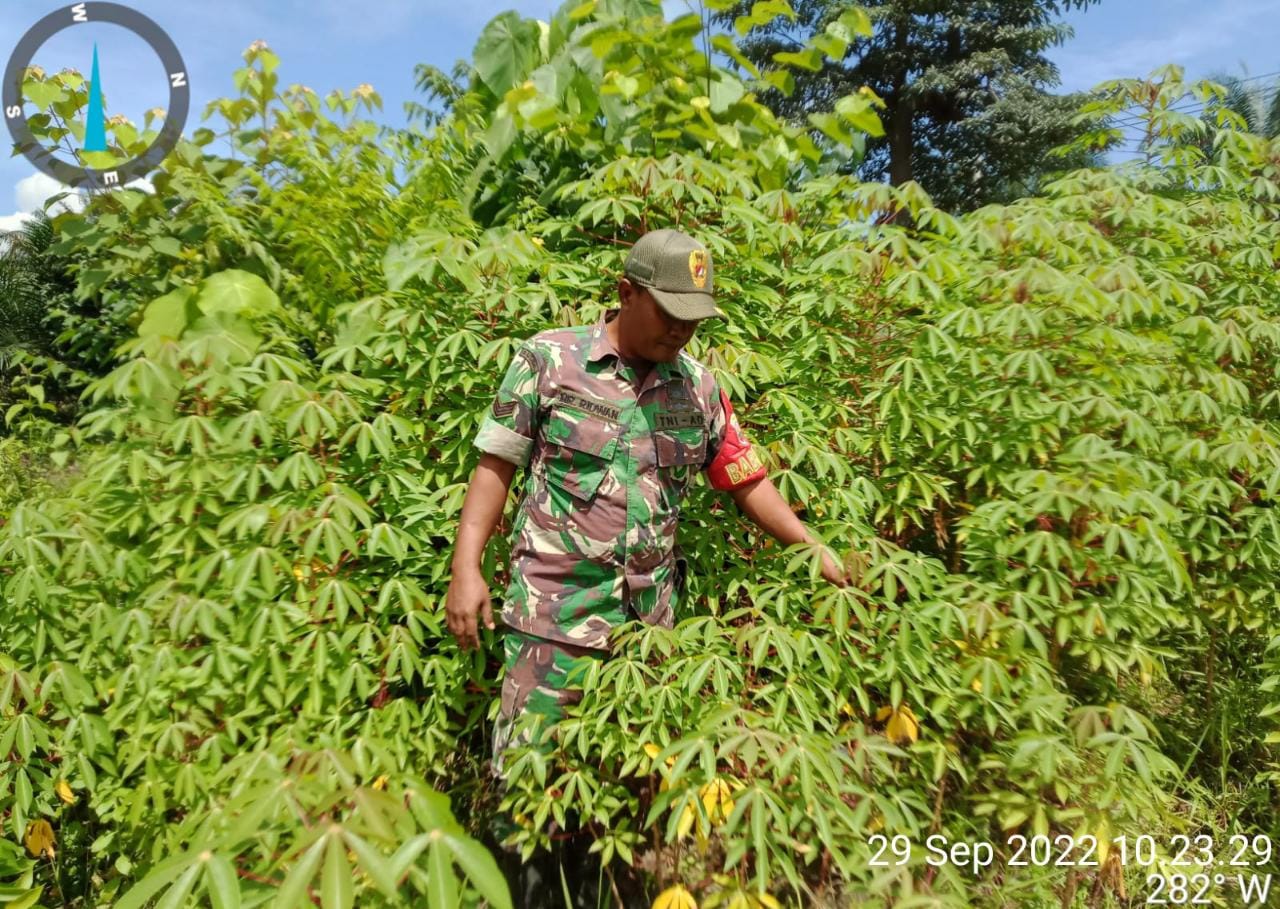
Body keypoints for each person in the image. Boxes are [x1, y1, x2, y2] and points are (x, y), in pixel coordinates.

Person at [445, 228, 849, 902]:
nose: (681, 333)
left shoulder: (697, 386)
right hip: (552, 626)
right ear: (626, 292)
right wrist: (468, 568)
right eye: (669, 315)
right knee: (530, 802)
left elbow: (743, 475)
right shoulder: (549, 359)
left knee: (622, 802)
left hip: (645, 641)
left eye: (694, 320)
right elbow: (495, 466)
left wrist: (811, 547)